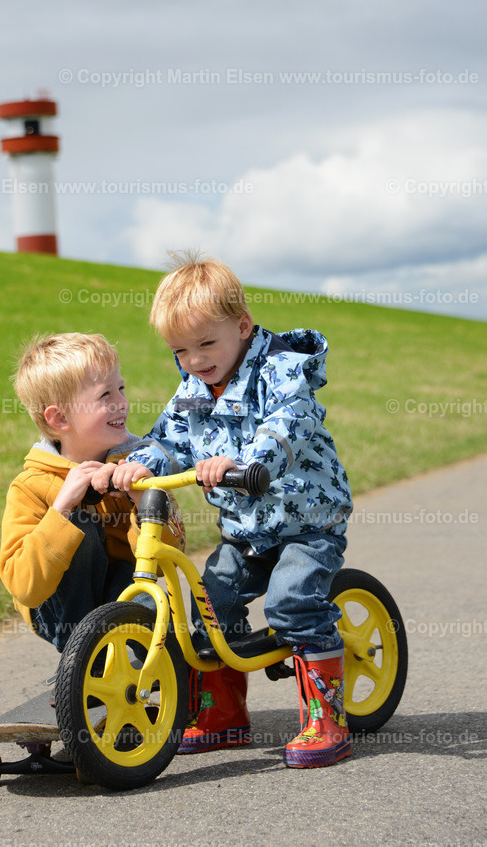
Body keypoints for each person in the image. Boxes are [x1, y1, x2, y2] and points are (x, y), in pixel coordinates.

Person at [109, 253, 353, 767]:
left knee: (291, 603)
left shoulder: (283, 370)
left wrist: (248, 461)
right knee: (206, 605)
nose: (194, 361)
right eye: (180, 350)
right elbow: (167, 440)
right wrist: (138, 465)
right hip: (246, 530)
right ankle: (224, 716)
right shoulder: (193, 389)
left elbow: (290, 422)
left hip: (306, 521)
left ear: (242, 326)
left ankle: (327, 718)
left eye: (205, 344)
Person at [0, 332, 184, 654]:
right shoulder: (30, 486)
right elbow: (24, 586)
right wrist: (61, 509)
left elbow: (174, 552)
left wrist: (146, 502)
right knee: (80, 524)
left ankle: (168, 679)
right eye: (105, 396)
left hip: (122, 588)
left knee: (156, 616)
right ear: (59, 418)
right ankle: (82, 656)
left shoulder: (136, 464)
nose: (122, 402)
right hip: (58, 609)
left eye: (121, 388)